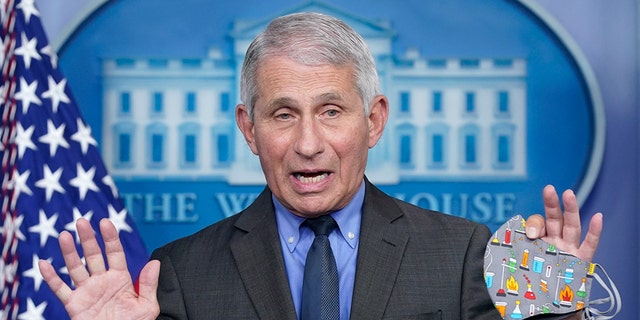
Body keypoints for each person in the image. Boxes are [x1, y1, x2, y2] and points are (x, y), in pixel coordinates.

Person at [39, 12, 603, 320]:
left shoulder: (462, 254)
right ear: (249, 129)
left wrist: (558, 317)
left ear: (374, 121)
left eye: (331, 111)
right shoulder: (179, 274)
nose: (308, 143)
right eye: (284, 114)